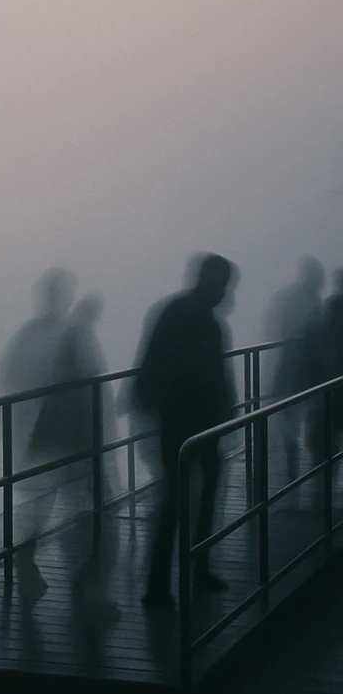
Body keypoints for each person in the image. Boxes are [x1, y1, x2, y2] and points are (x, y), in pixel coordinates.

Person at [134, 254, 238, 610]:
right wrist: (223, 410)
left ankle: (168, 579)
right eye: (223, 284)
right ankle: (183, 574)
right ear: (211, 281)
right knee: (189, 498)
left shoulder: (176, 311)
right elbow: (209, 373)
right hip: (192, 421)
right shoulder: (201, 319)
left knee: (179, 499)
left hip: (182, 420)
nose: (225, 293)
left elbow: (152, 366)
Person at [29, 294, 120, 623]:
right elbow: (88, 388)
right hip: (80, 444)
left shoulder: (70, 338)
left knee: (87, 514)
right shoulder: (80, 339)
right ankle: (89, 592)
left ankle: (82, 585)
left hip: (72, 443)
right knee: (99, 517)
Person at [0, 268, 76, 600]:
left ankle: (28, 562)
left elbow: (3, 378)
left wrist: (14, 424)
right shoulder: (63, 333)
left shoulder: (29, 333)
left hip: (35, 432)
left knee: (45, 498)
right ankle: (37, 566)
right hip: (52, 433)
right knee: (61, 499)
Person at [264, 257, 325, 479]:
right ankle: (299, 458)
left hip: (295, 363)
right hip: (301, 364)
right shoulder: (307, 299)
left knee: (294, 413)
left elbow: (277, 325)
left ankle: (294, 457)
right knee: (299, 412)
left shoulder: (297, 297)